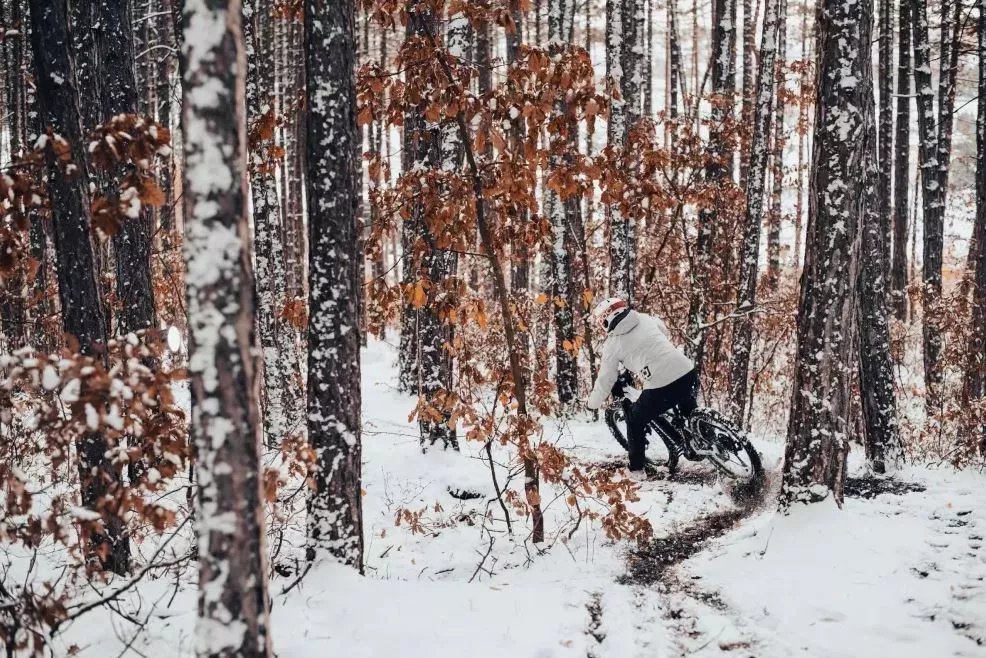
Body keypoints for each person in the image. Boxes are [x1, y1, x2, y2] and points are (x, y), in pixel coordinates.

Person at [586, 297, 699, 475]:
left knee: (635, 419)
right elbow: (663, 332)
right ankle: (707, 438)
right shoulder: (644, 318)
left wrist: (592, 403)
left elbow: (605, 379)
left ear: (606, 320)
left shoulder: (613, 344)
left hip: (662, 385)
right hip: (687, 370)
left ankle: (636, 470)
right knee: (688, 409)